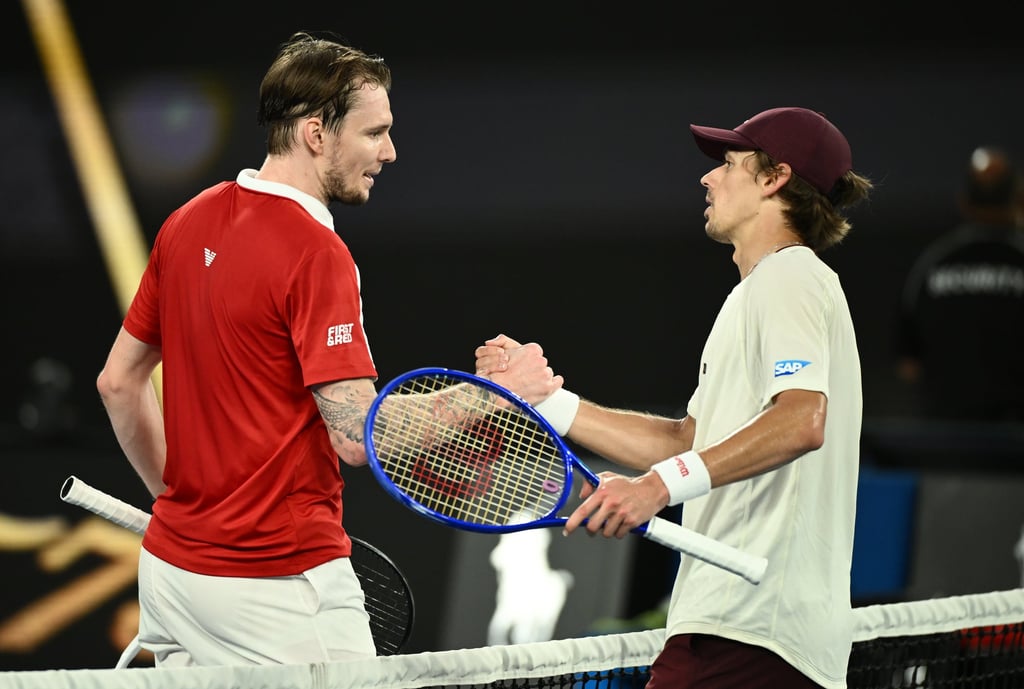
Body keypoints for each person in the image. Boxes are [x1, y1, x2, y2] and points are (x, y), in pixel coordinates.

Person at [95, 31, 560, 667]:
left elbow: (118, 383)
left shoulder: (187, 220)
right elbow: (356, 434)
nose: (390, 152)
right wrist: (499, 394)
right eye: (375, 133)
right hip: (278, 584)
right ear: (317, 133)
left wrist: (185, 509)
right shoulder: (316, 253)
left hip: (173, 574)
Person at [477, 107, 873, 689]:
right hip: (749, 632)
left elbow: (800, 422)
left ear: (774, 179)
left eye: (730, 164)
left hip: (749, 630)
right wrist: (546, 402)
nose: (708, 178)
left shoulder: (791, 277)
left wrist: (656, 488)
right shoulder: (757, 294)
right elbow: (687, 443)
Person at [895, 145, 1024, 421]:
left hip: (946, 434)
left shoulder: (931, 265)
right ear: (1018, 198)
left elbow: (909, 365)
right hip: (1014, 437)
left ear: (964, 201)